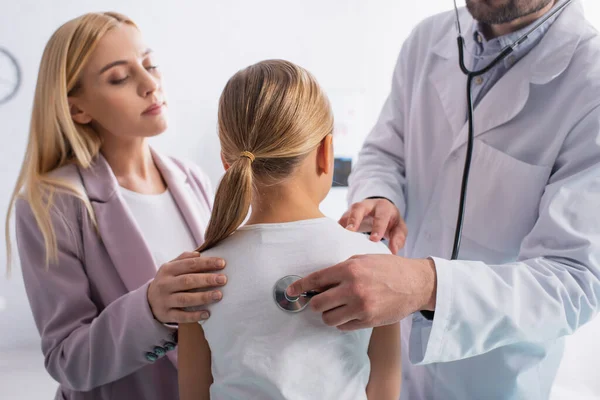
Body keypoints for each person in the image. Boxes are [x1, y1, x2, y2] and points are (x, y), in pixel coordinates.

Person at [286, 0, 600, 399]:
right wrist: (382, 195)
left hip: (492, 377)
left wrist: (427, 285)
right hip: (392, 359)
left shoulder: (590, 84)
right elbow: (385, 150)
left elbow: (574, 280)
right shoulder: (427, 41)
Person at [6, 12, 226, 399]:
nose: (149, 84)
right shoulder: (51, 205)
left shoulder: (192, 179)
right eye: (119, 78)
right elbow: (67, 360)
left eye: (150, 64)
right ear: (78, 109)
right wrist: (151, 311)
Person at [177, 60, 402, 400]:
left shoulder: (198, 275)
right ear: (326, 152)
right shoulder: (373, 260)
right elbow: (385, 393)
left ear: (227, 161)